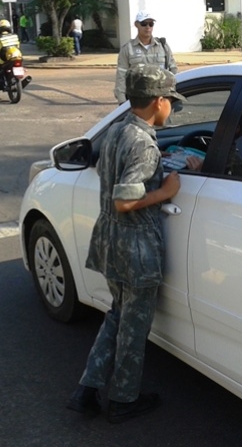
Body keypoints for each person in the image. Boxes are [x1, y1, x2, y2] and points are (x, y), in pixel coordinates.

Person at [67, 64, 186, 424]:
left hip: (110, 242)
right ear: (159, 101)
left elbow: (117, 176)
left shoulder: (119, 131)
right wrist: (165, 191)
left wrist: (159, 166)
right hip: (136, 248)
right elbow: (124, 199)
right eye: (171, 102)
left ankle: (86, 390)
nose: (172, 109)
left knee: (117, 316)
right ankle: (123, 399)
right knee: (134, 327)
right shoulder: (144, 144)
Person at [114, 12, 177, 104]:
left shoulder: (163, 46)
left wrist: (173, 96)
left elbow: (173, 71)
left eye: (151, 24)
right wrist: (122, 101)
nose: (148, 27)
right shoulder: (128, 48)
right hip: (138, 100)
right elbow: (121, 76)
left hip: (161, 98)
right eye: (144, 24)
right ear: (136, 25)